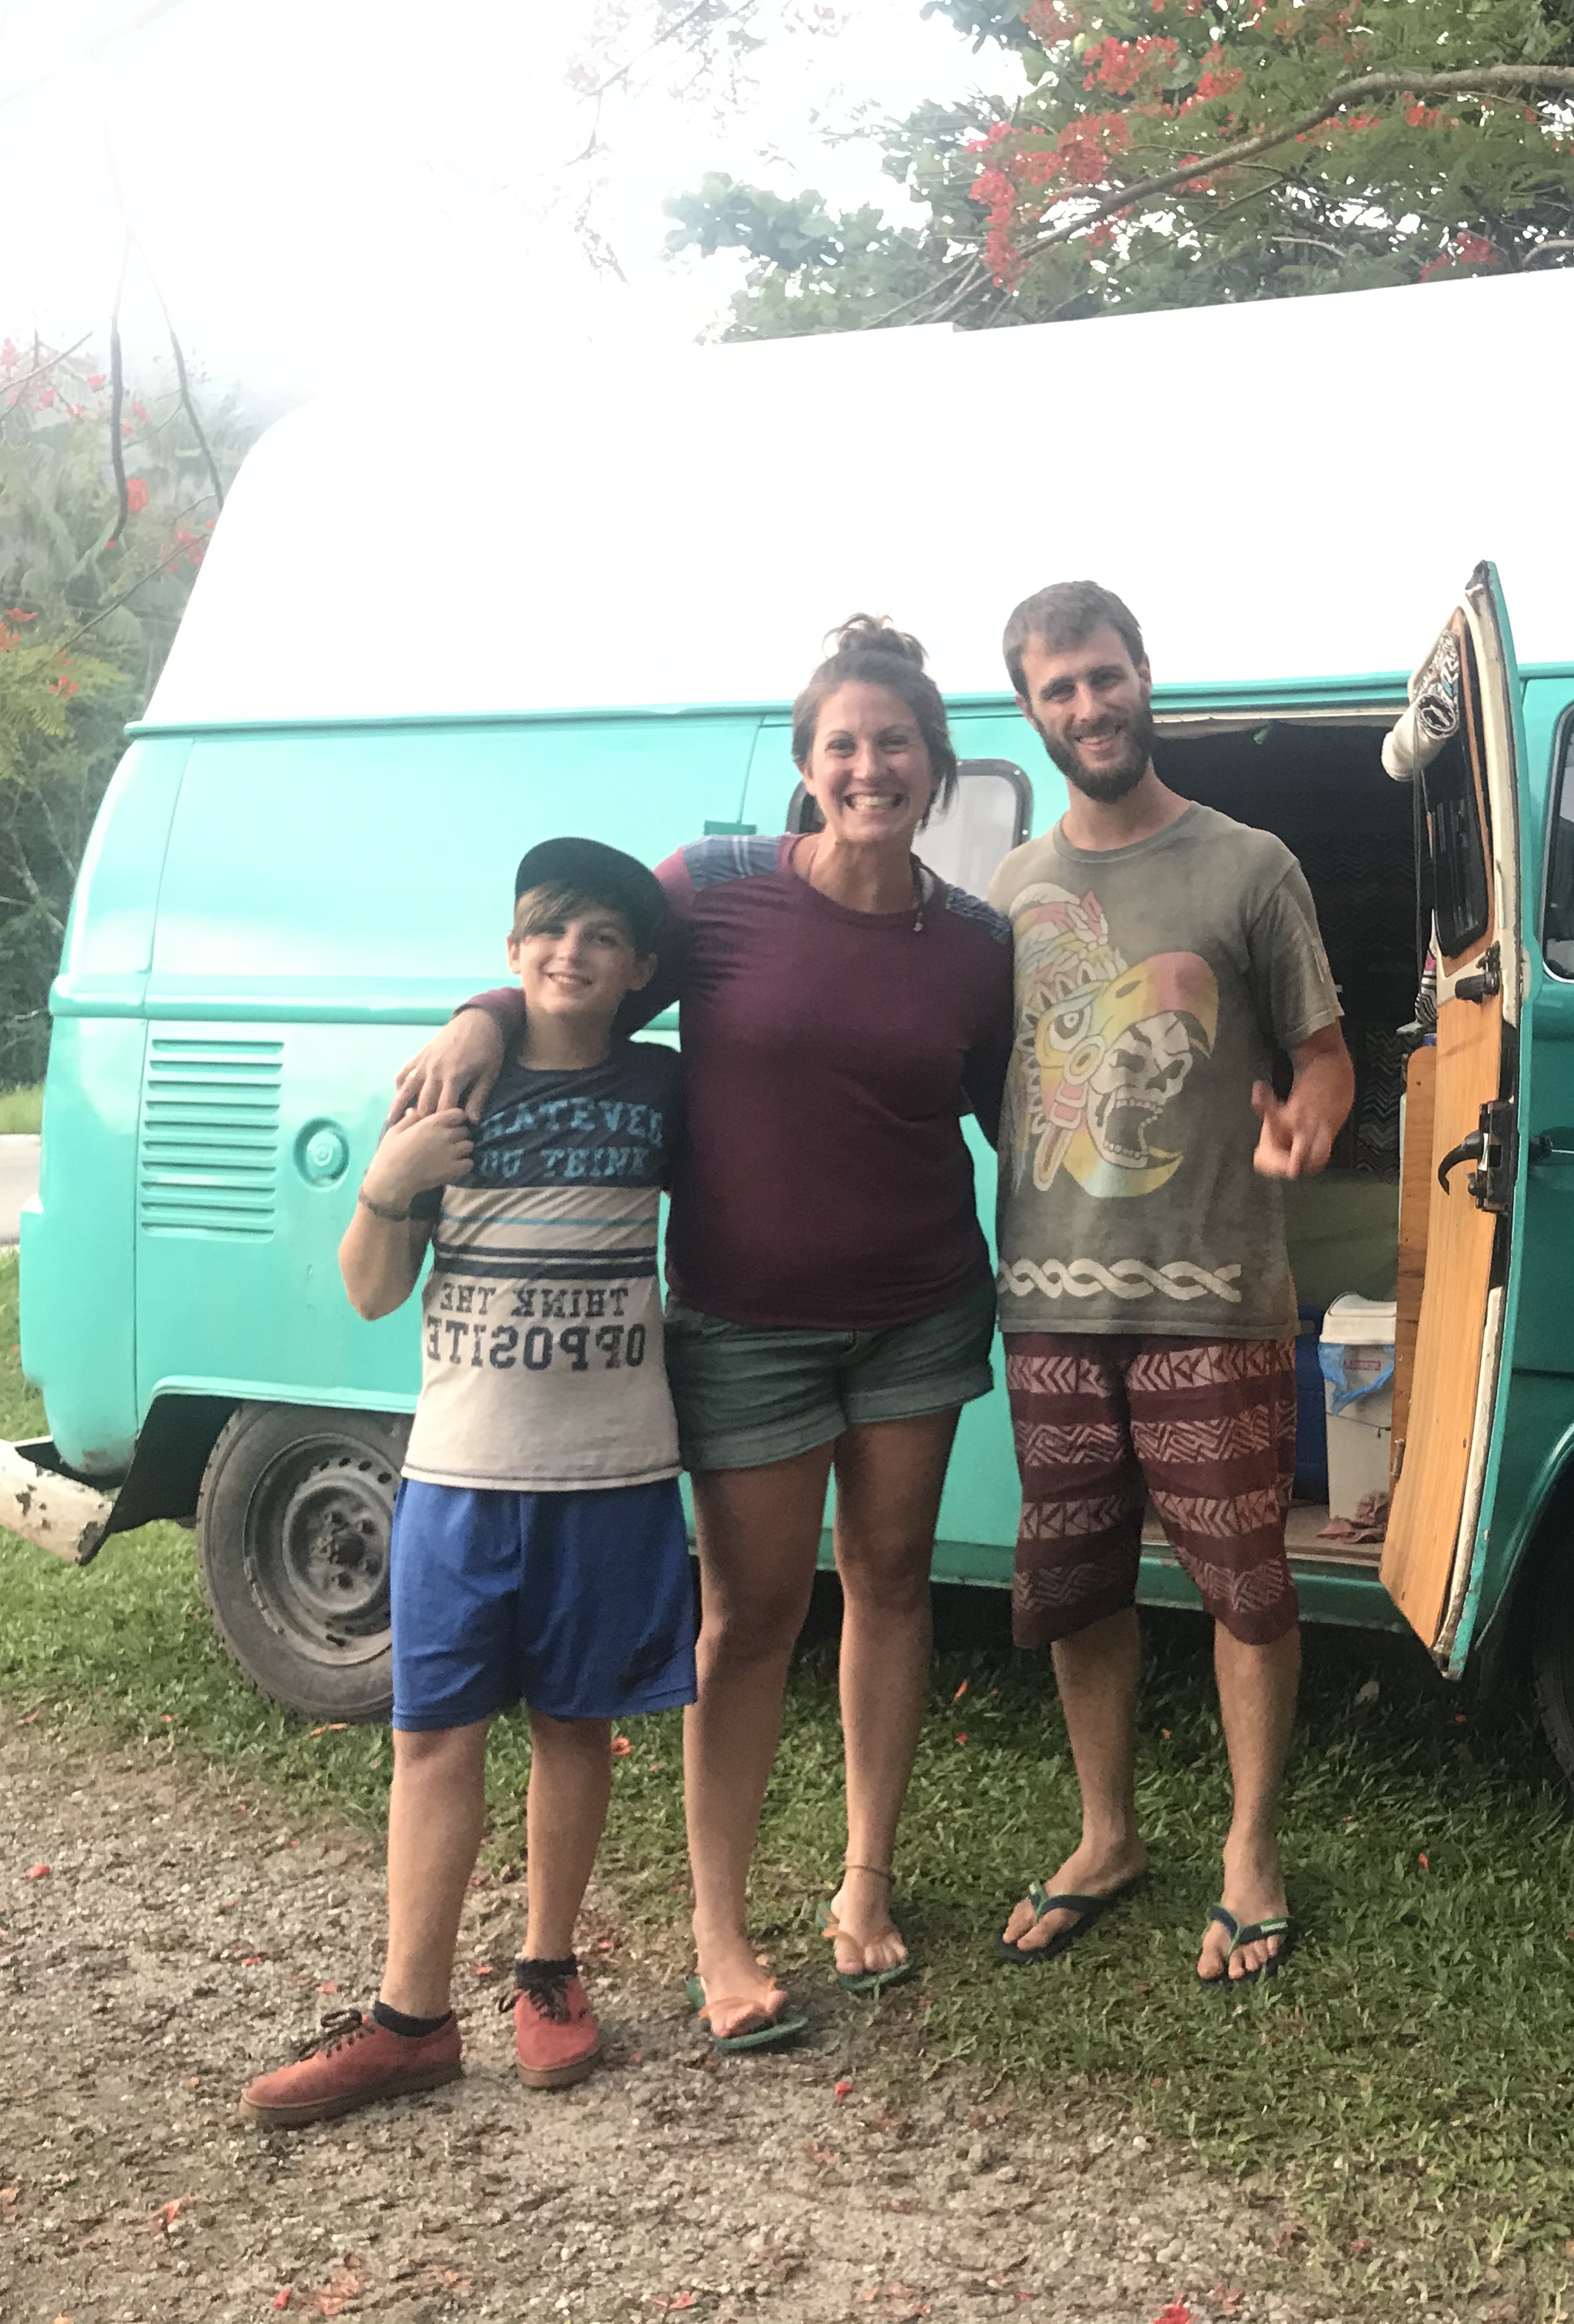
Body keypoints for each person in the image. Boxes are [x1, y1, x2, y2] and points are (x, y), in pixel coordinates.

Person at [388, 619, 1014, 2050]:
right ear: (808, 765)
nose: (870, 767)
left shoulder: (977, 945)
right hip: (745, 1324)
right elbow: (582, 975)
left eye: (896, 743)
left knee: (893, 1584)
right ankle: (719, 1933)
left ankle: (864, 1879)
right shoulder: (717, 891)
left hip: (918, 1313)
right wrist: (483, 1016)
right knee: (748, 1620)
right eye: (843, 744)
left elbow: (1008, 1113)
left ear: (937, 765)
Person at [241, 838, 692, 2127]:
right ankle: (410, 2020)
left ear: (638, 970)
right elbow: (371, 1292)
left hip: (610, 1473)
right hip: (458, 1473)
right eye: (548, 931)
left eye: (601, 937)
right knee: (432, 1735)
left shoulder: (663, 1087)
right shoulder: (450, 1088)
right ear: (511, 950)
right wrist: (386, 1188)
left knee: (574, 1726)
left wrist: (484, 1012)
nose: (570, 954)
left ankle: (548, 1972)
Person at [985, 580, 1353, 1985]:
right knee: (1078, 1584)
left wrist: (1312, 1118)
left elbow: (1326, 1055)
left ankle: (1251, 1848)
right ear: (1032, 711)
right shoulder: (1010, 895)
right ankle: (1108, 1835)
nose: (1089, 707)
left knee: (1246, 1582)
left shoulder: (1249, 865)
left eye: (1105, 676)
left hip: (1215, 1292)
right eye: (1059, 689)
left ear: (1145, 674)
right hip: (1051, 1303)